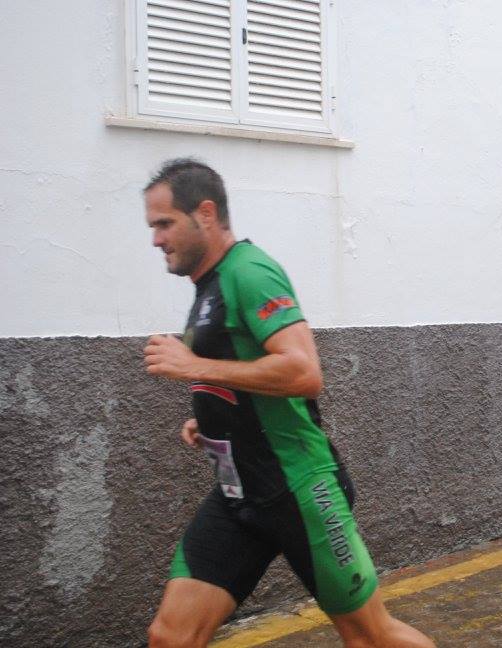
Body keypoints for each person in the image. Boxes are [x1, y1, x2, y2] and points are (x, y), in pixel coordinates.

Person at [141, 158, 434, 648]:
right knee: (171, 636)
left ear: (206, 214)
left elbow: (303, 372)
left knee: (371, 637)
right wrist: (212, 416)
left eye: (165, 223)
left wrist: (193, 367)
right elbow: (241, 369)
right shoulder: (210, 285)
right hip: (238, 493)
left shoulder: (249, 272)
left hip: (298, 489)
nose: (156, 239)